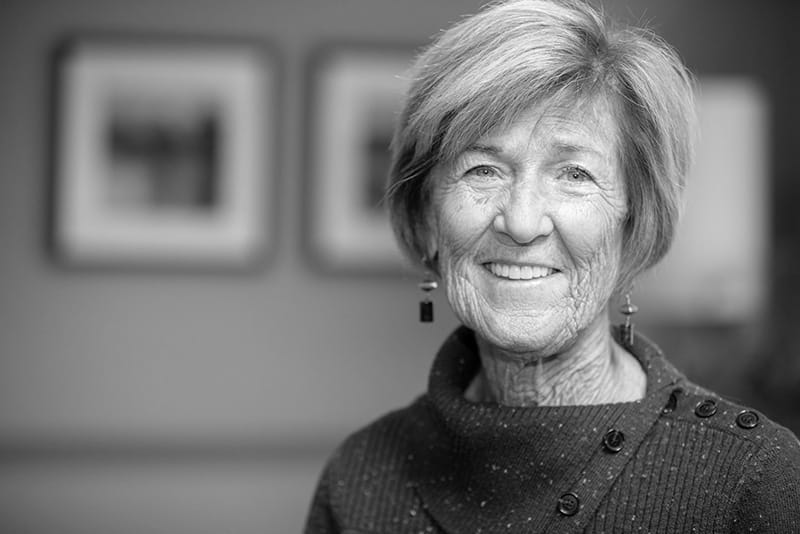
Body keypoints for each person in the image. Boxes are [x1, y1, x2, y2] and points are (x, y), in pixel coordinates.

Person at [304, 0, 800, 531]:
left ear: (634, 223)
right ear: (425, 215)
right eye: (483, 169)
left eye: (574, 175)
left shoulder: (753, 478)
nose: (521, 222)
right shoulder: (360, 479)